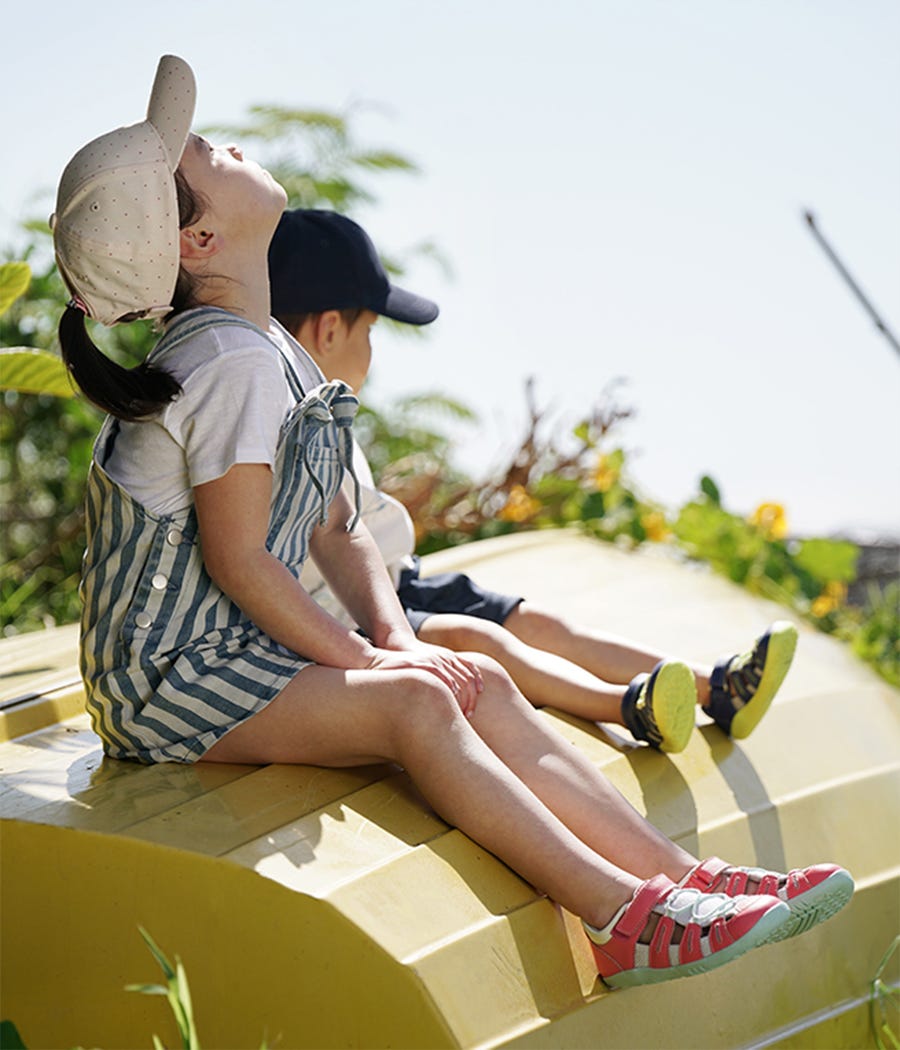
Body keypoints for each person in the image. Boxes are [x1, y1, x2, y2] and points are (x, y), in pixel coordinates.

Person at [53, 55, 852, 992]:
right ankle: (618, 918)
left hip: (228, 656)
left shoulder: (266, 347)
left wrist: (395, 636)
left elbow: (335, 528)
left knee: (475, 675)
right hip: (166, 680)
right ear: (199, 240)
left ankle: (682, 879)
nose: (223, 143)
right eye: (205, 152)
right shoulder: (227, 363)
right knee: (419, 703)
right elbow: (239, 561)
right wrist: (370, 665)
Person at [269, 208, 800, 756]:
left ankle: (716, 688)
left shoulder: (323, 411)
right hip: (356, 612)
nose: (372, 351)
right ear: (330, 329)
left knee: (536, 623)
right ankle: (629, 706)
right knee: (483, 641)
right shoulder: (293, 425)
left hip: (400, 579)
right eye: (370, 331)